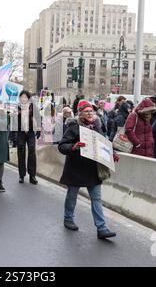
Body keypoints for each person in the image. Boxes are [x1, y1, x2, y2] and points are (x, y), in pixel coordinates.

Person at [58, 100, 117, 239]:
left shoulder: (97, 127)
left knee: (96, 198)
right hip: (75, 169)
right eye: (87, 111)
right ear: (80, 113)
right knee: (72, 196)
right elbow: (62, 146)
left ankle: (102, 228)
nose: (90, 113)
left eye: (91, 111)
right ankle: (68, 218)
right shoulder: (73, 128)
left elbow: (103, 144)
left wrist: (111, 154)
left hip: (92, 169)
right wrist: (74, 146)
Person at [15, 90, 41, 185]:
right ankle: (21, 175)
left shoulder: (33, 107)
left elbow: (38, 117)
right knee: (21, 152)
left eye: (25, 97)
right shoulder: (17, 107)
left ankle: (32, 175)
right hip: (21, 132)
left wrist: (39, 129)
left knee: (32, 151)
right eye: (22, 97)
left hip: (30, 132)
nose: (23, 99)